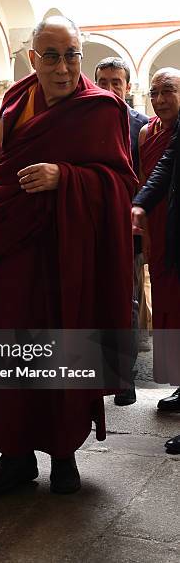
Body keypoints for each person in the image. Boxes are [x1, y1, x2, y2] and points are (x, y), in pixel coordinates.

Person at [0, 16, 136, 495]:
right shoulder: (17, 97)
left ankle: (64, 455)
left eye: (73, 55)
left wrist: (66, 176)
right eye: (52, 56)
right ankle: (14, 456)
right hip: (14, 245)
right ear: (33, 58)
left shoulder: (102, 108)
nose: (63, 67)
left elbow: (120, 183)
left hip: (68, 251)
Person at [95, 57, 148, 406]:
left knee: (126, 302)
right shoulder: (83, 120)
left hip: (129, 229)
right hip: (90, 224)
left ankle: (123, 379)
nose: (111, 88)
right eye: (104, 81)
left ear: (128, 87)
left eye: (117, 81)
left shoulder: (142, 127)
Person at [132, 69, 180, 423]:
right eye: (155, 93)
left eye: (169, 91)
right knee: (167, 303)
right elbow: (161, 169)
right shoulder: (150, 132)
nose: (161, 100)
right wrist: (141, 205)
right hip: (163, 226)